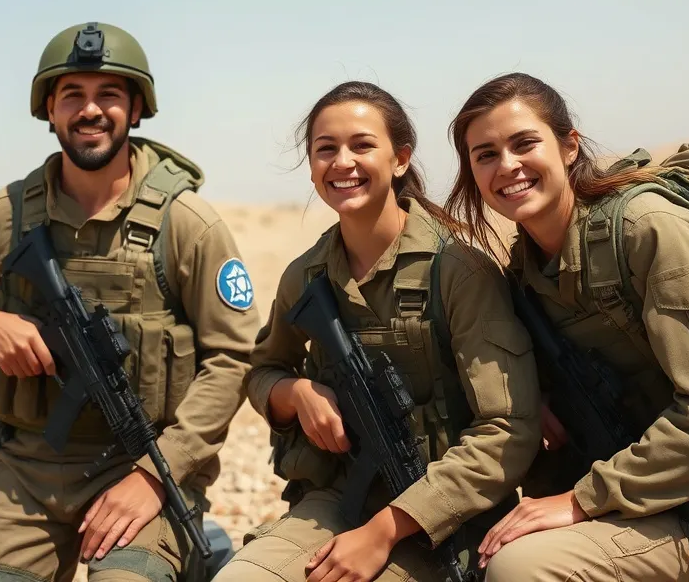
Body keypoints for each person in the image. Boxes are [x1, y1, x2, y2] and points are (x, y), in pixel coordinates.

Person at [0, 22, 261, 582]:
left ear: (137, 109)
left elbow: (233, 358)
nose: (90, 110)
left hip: (145, 466)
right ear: (49, 109)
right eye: (73, 95)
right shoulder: (3, 218)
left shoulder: (186, 224)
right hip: (26, 471)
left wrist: (156, 476)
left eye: (109, 95)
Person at [444, 71, 689, 582]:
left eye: (523, 143)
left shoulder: (648, 230)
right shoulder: (529, 270)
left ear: (569, 146)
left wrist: (581, 500)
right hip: (653, 480)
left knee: (520, 568)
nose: (507, 166)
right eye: (485, 154)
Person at [215, 81, 542, 582]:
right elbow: (263, 370)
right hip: (336, 501)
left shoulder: (456, 270)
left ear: (401, 159)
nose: (342, 162)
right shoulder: (305, 277)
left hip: (444, 514)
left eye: (363, 145)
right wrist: (295, 391)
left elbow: (508, 430)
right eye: (326, 149)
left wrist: (385, 531)